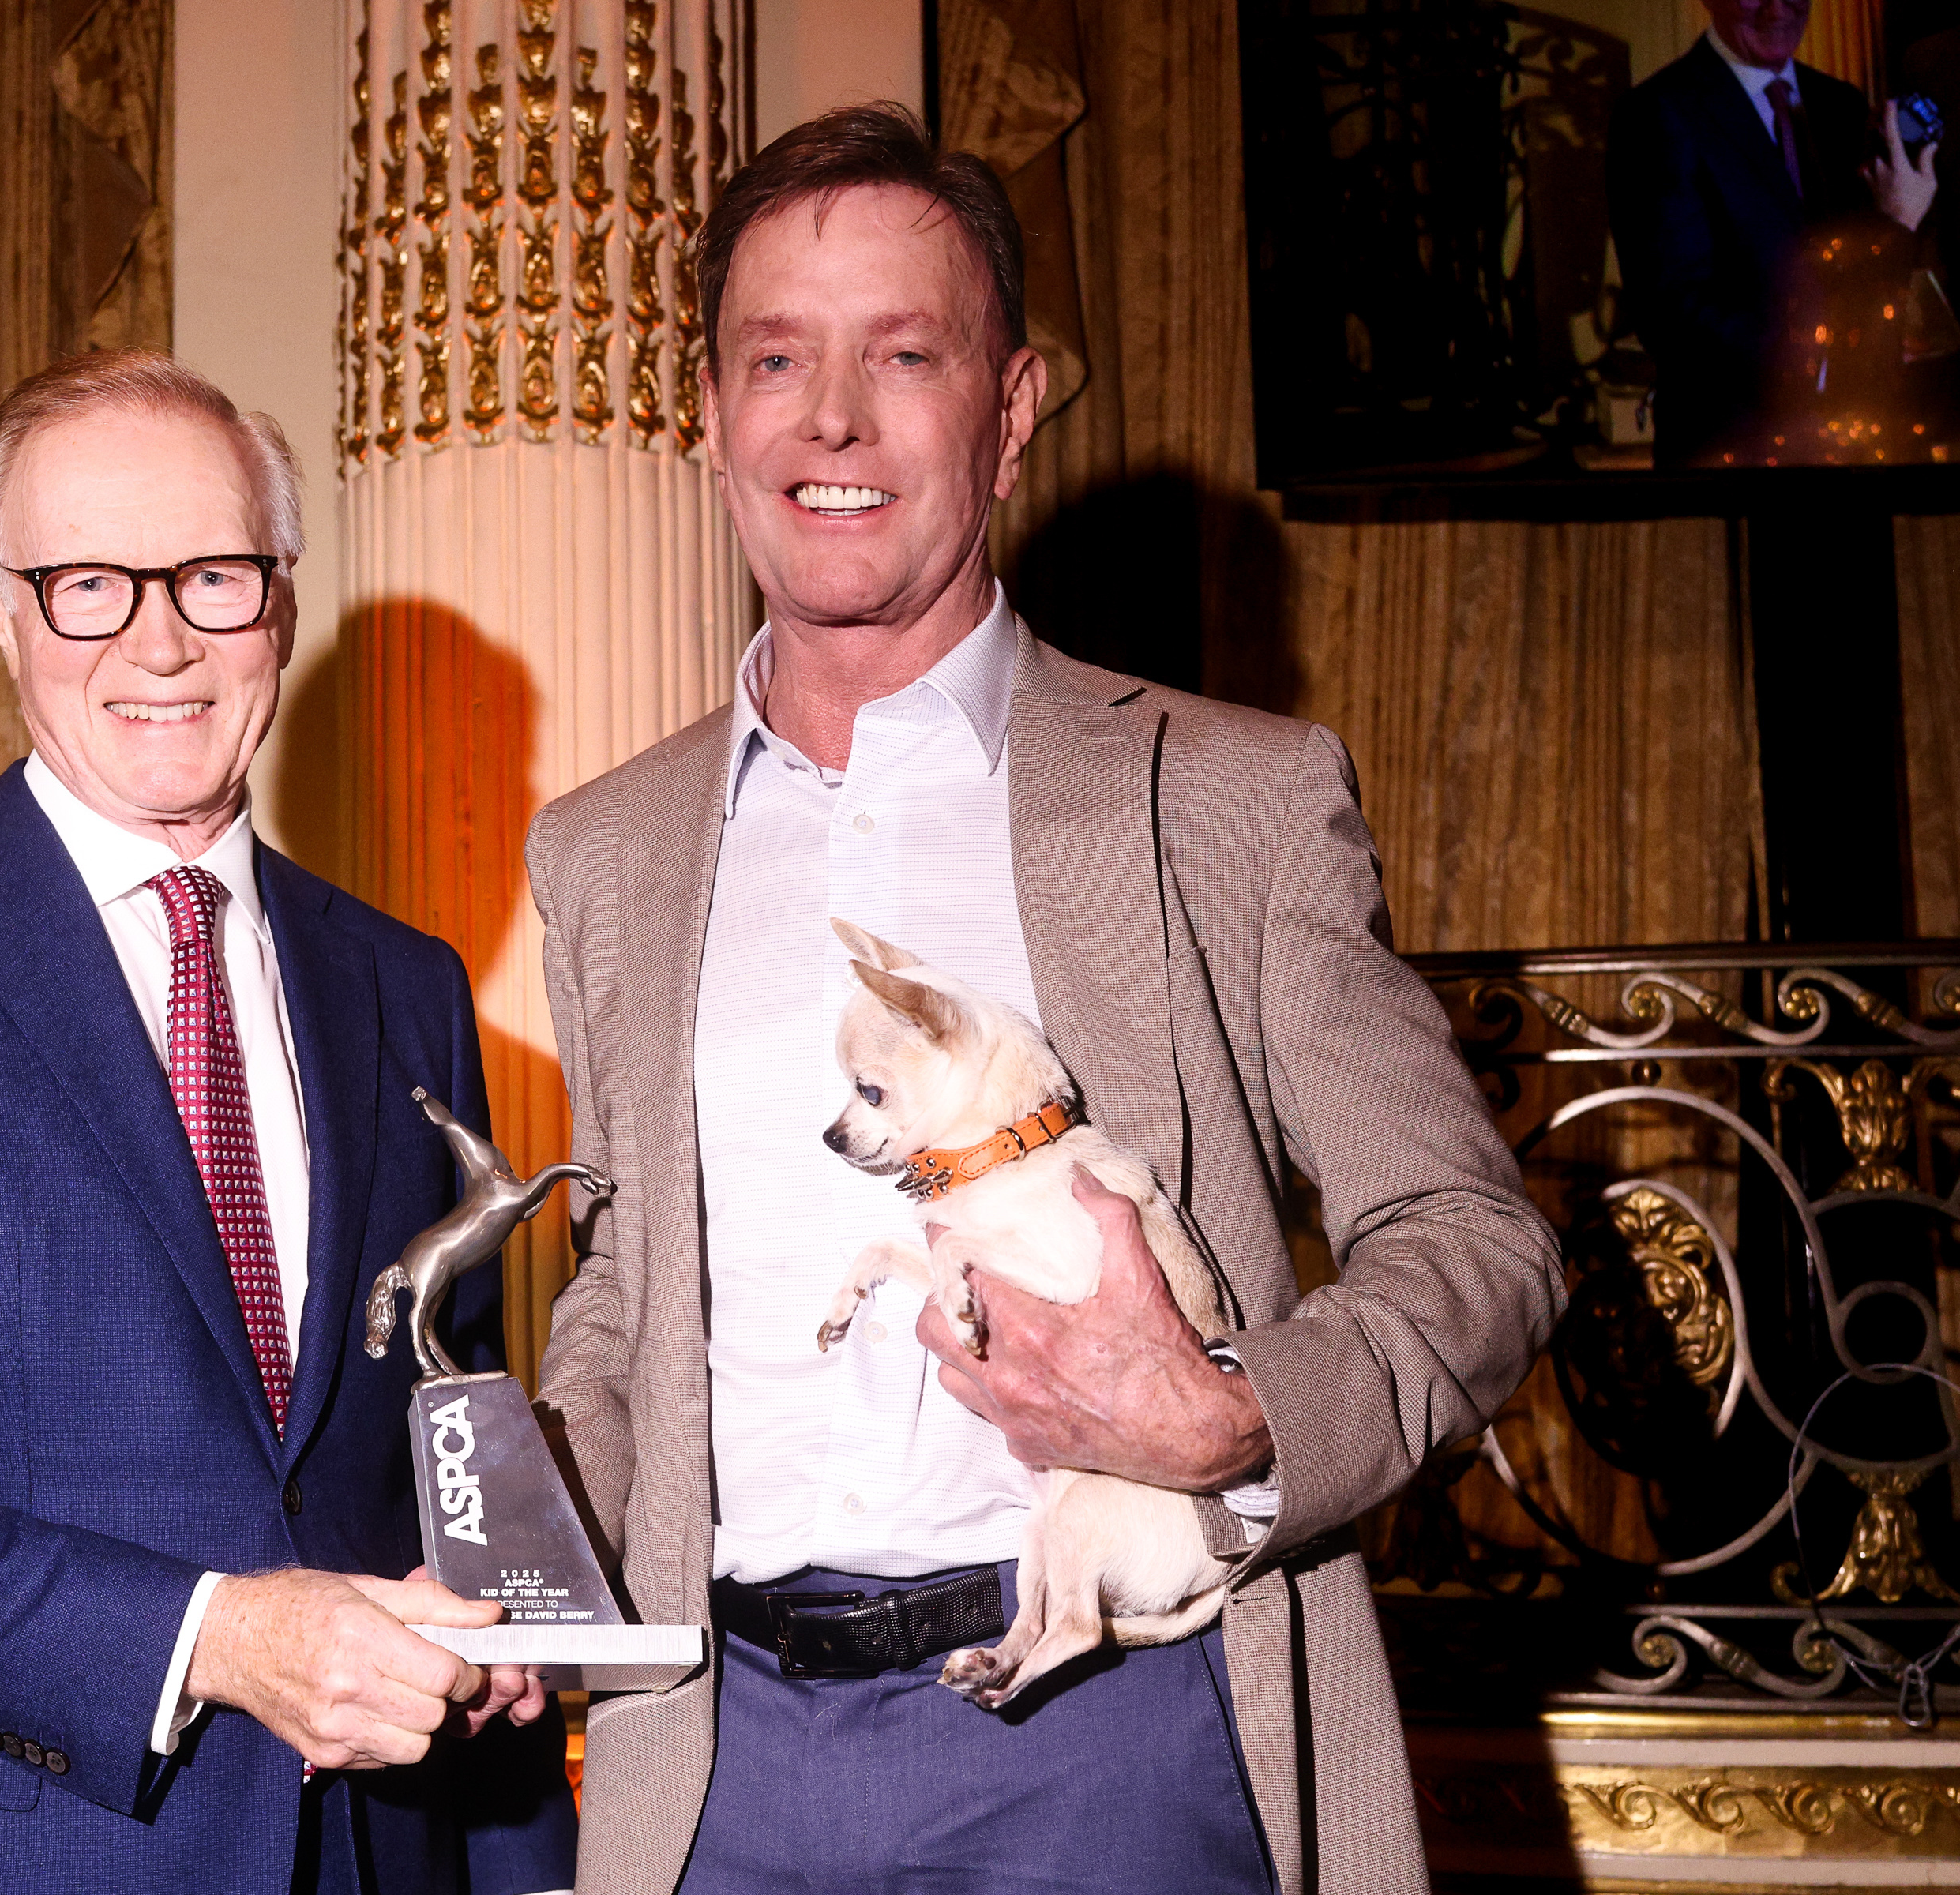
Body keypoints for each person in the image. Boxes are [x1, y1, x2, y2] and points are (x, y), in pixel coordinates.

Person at [524, 106, 1564, 1894]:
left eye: (903, 356)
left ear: (1008, 410)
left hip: (1116, 1731)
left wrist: (1238, 1416)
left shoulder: (1224, 793)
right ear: (708, 413)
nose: (830, 418)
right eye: (777, 356)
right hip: (718, 1764)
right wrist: (539, 1548)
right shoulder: (604, 848)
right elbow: (627, 1289)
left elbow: (1471, 1236)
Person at [0, 351, 574, 1894]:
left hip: (375, 1851)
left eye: (212, 575)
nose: (158, 638)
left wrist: (496, 1621)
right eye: (88, 581)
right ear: (2, 609)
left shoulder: (404, 984)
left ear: (278, 601)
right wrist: (210, 1635)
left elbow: (434, 1418)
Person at [1609, 0, 1939, 464]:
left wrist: (1900, 223)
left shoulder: (1841, 104)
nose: (1776, 8)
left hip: (1859, 447)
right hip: (1734, 456)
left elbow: (1869, 280)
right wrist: (1824, 359)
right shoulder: (1656, 113)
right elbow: (1672, 313)